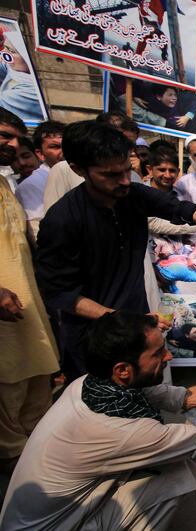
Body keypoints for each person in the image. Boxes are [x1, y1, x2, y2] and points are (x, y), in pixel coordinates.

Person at [0, 311, 196, 531]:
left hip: (42, 513)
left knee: (167, 460)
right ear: (124, 368)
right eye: (159, 353)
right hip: (51, 529)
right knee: (177, 472)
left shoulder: (91, 383)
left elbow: (184, 397)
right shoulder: (125, 431)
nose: (168, 358)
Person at [35, 122, 196, 381]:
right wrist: (121, 319)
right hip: (94, 338)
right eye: (110, 175)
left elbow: (193, 213)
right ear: (79, 170)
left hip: (138, 324)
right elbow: (60, 294)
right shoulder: (62, 221)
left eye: (126, 170)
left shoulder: (132, 195)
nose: (124, 181)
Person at [0, 108, 59, 475]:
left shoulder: (5, 184)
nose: (12, 144)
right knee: (8, 399)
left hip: (28, 308)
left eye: (15, 137)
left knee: (35, 395)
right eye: (4, 136)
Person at [15, 120, 64, 238]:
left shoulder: (82, 173)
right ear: (40, 154)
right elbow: (38, 234)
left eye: (67, 145)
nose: (63, 151)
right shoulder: (31, 185)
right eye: (55, 147)